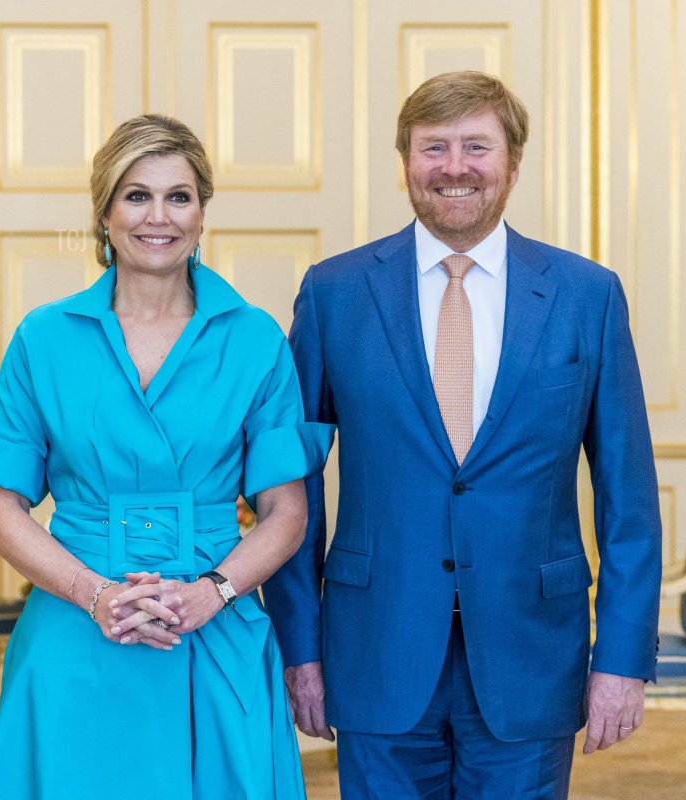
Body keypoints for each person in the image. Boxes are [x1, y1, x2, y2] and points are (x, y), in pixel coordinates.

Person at [263, 71, 662, 799]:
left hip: (532, 654)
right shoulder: (335, 293)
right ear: (406, 163)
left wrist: (624, 659)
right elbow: (292, 489)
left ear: (513, 163)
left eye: (476, 146)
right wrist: (301, 647)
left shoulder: (586, 296)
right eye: (432, 148)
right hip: (375, 649)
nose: (454, 167)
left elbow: (628, 499)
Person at [0, 113, 333, 799]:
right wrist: (98, 596)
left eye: (179, 196)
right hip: (76, 625)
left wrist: (212, 593)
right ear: (105, 213)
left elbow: (286, 513)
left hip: (213, 631)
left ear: (202, 214)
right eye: (137, 195)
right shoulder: (44, 339)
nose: (160, 216)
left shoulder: (256, 340)